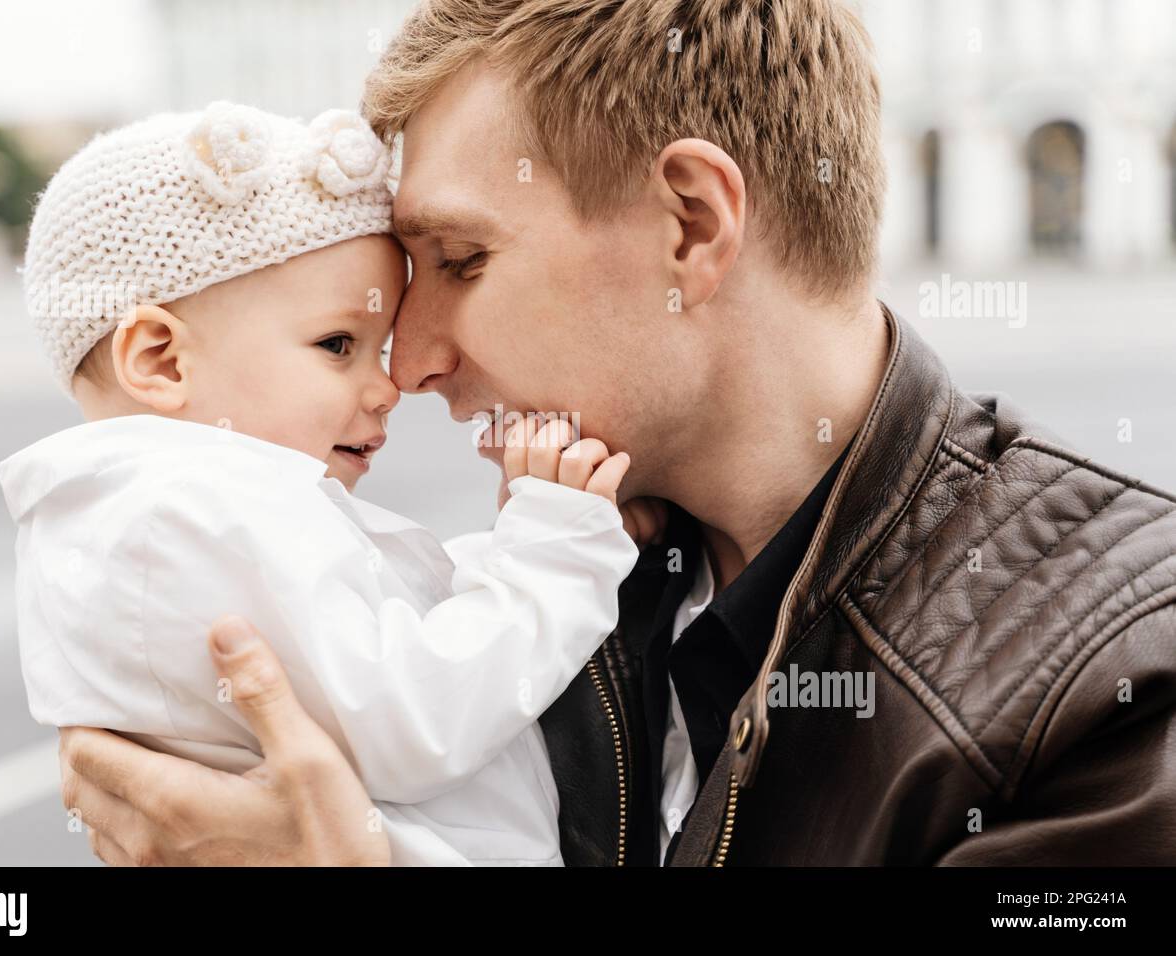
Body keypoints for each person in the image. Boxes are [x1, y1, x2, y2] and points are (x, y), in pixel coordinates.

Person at [59, 0, 1176, 866]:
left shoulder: (1111, 685)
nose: (409, 359)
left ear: (690, 223)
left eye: (460, 261)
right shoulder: (554, 571)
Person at [3, 101, 646, 866]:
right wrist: (555, 557)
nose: (390, 388)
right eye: (339, 343)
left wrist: (520, 544)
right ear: (161, 362)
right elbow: (416, 719)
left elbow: (382, 652)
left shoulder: (160, 512)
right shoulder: (189, 515)